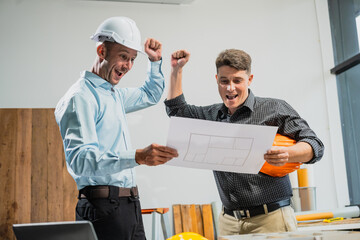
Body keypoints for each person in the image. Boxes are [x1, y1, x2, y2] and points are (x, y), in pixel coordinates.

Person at [164, 49, 324, 235]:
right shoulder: (212, 116)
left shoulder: (274, 108)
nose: (230, 87)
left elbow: (315, 145)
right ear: (217, 79)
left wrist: (288, 153)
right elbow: (176, 111)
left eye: (237, 80)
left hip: (271, 219)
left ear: (250, 79)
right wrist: (177, 70)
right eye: (224, 81)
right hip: (229, 222)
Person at [54, 16, 178, 240]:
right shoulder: (80, 97)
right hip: (103, 208)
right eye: (123, 57)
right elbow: (80, 160)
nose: (128, 66)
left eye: (132, 59)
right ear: (101, 51)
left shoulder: (113, 95)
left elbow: (150, 95)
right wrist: (137, 156)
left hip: (128, 205)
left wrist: (155, 61)